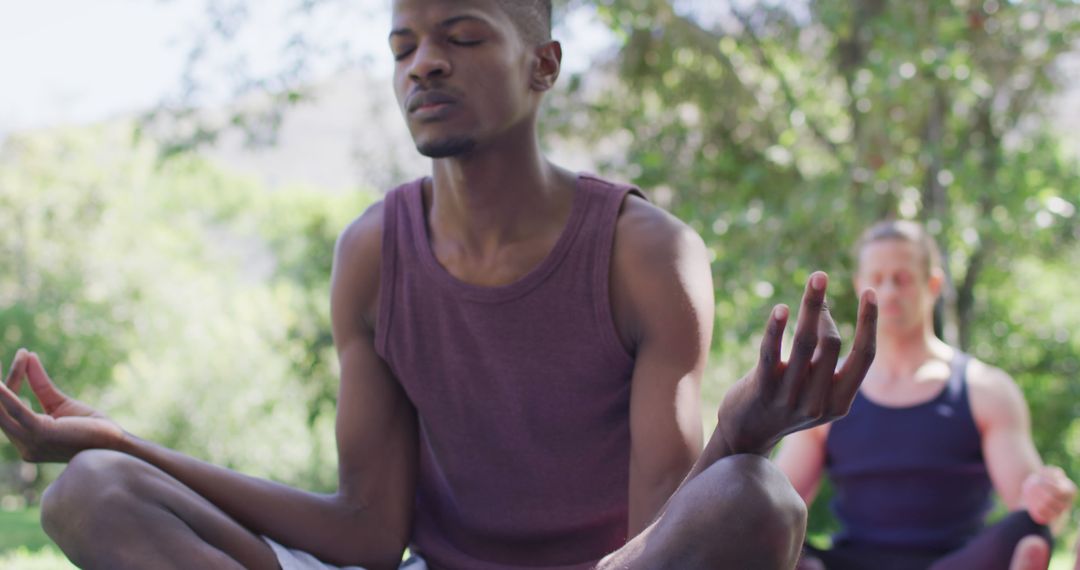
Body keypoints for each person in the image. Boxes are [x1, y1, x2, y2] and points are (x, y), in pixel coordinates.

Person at [0, 1, 879, 568]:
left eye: (461, 37)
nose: (423, 64)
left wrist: (739, 434)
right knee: (95, 489)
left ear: (544, 66)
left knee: (754, 495)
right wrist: (118, 440)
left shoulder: (645, 252)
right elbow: (367, 530)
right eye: (403, 46)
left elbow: (661, 529)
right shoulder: (373, 254)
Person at [776, 220, 1077, 570]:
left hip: (956, 564)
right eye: (877, 279)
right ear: (860, 286)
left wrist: (1051, 497)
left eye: (902, 279)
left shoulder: (986, 389)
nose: (888, 291)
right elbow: (778, 504)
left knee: (1029, 530)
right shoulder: (826, 388)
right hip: (849, 563)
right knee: (764, 531)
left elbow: (1038, 510)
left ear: (932, 284)